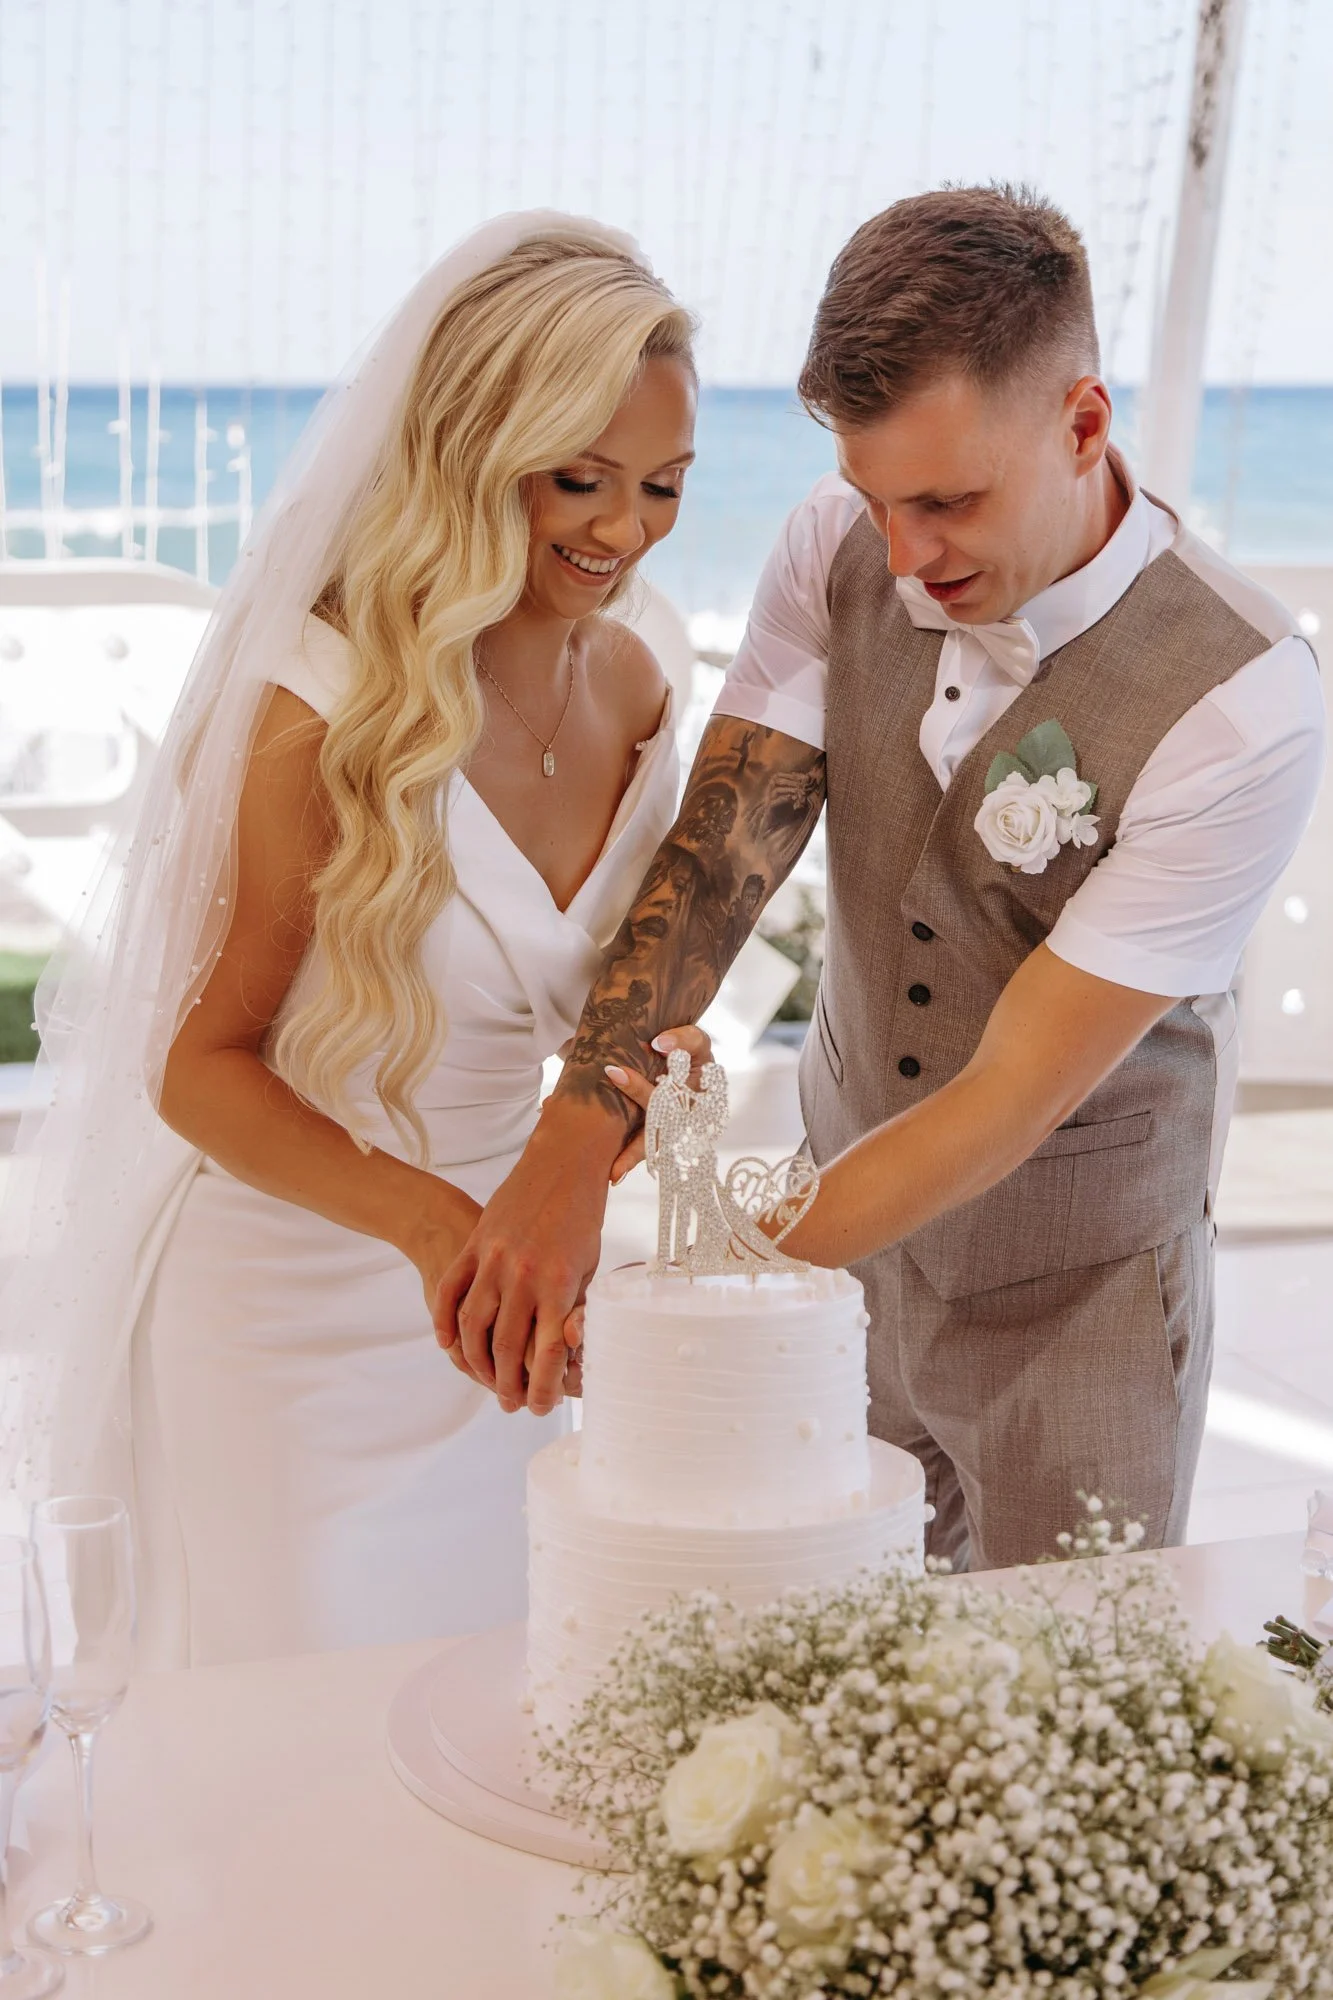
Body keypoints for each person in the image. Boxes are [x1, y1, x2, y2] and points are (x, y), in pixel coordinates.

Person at [439, 186, 1324, 1572]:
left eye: (949, 502)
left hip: (1077, 1296)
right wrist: (572, 1141)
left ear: (1084, 424)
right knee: (817, 1658)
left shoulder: (1244, 701)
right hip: (838, 1232)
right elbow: (725, 856)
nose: (907, 559)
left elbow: (1005, 1095)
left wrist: (693, 1280)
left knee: (1047, 1728)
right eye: (873, 499)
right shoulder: (837, 544)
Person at [0, 213, 706, 1665]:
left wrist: (634, 1095)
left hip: (505, 1314)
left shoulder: (637, 681)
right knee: (295, 1753)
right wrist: (434, 1223)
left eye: (664, 487)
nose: (623, 531)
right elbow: (196, 1070)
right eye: (578, 479)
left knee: (501, 1702)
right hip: (291, 1320)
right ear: (469, 446)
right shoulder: (314, 711)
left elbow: (605, 1012)